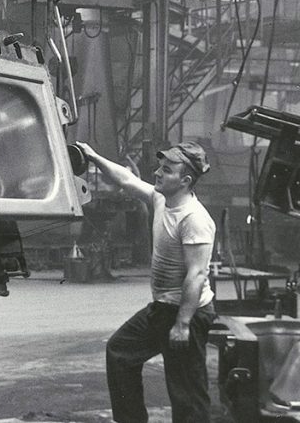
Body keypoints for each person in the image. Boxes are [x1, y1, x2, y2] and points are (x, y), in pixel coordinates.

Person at [77, 141, 217, 423]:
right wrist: (94, 156)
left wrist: (183, 324)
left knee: (186, 392)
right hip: (163, 308)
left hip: (186, 312)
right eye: (159, 167)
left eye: (166, 170)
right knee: (120, 352)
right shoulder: (161, 199)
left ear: (185, 180)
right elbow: (127, 179)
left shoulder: (195, 219)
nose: (156, 173)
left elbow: (197, 275)